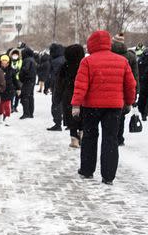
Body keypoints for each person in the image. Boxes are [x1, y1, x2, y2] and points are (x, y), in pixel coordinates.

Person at [71, 30, 137, 185]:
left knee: (89, 137)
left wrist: (76, 104)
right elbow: (130, 84)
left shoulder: (87, 61)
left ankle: (87, 170)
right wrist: (128, 102)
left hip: (91, 107)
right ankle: (108, 176)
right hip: (114, 107)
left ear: (91, 44)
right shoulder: (122, 61)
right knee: (110, 139)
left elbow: (80, 86)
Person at [55, 44, 85, 148]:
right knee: (83, 116)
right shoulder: (85, 64)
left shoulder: (65, 66)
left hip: (69, 95)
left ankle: (74, 139)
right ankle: (82, 134)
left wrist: (57, 97)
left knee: (71, 117)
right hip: (83, 95)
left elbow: (60, 82)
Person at [111, 33, 139, 146]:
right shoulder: (131, 56)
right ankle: (119, 138)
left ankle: (111, 137)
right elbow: (135, 76)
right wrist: (135, 92)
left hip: (111, 88)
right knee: (121, 114)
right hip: (124, 89)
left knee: (110, 115)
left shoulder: (109, 54)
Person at [46, 43, 66, 131]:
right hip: (66, 85)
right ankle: (68, 123)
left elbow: (51, 75)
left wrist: (48, 86)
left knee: (56, 104)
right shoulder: (65, 59)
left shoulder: (54, 61)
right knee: (65, 104)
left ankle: (58, 123)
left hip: (57, 85)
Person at [0, 54, 19, 125]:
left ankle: (7, 117)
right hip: (0, 90)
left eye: (5, 62)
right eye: (2, 62)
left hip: (9, 90)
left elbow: (15, 80)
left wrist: (18, 88)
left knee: (7, 105)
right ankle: (0, 115)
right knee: (0, 105)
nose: (4, 64)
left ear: (8, 63)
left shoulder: (11, 70)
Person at [18, 47, 37, 119]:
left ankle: (26, 113)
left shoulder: (27, 60)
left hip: (27, 80)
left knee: (25, 96)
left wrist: (21, 75)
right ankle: (30, 112)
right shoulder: (32, 59)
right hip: (32, 80)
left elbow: (25, 70)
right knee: (30, 96)